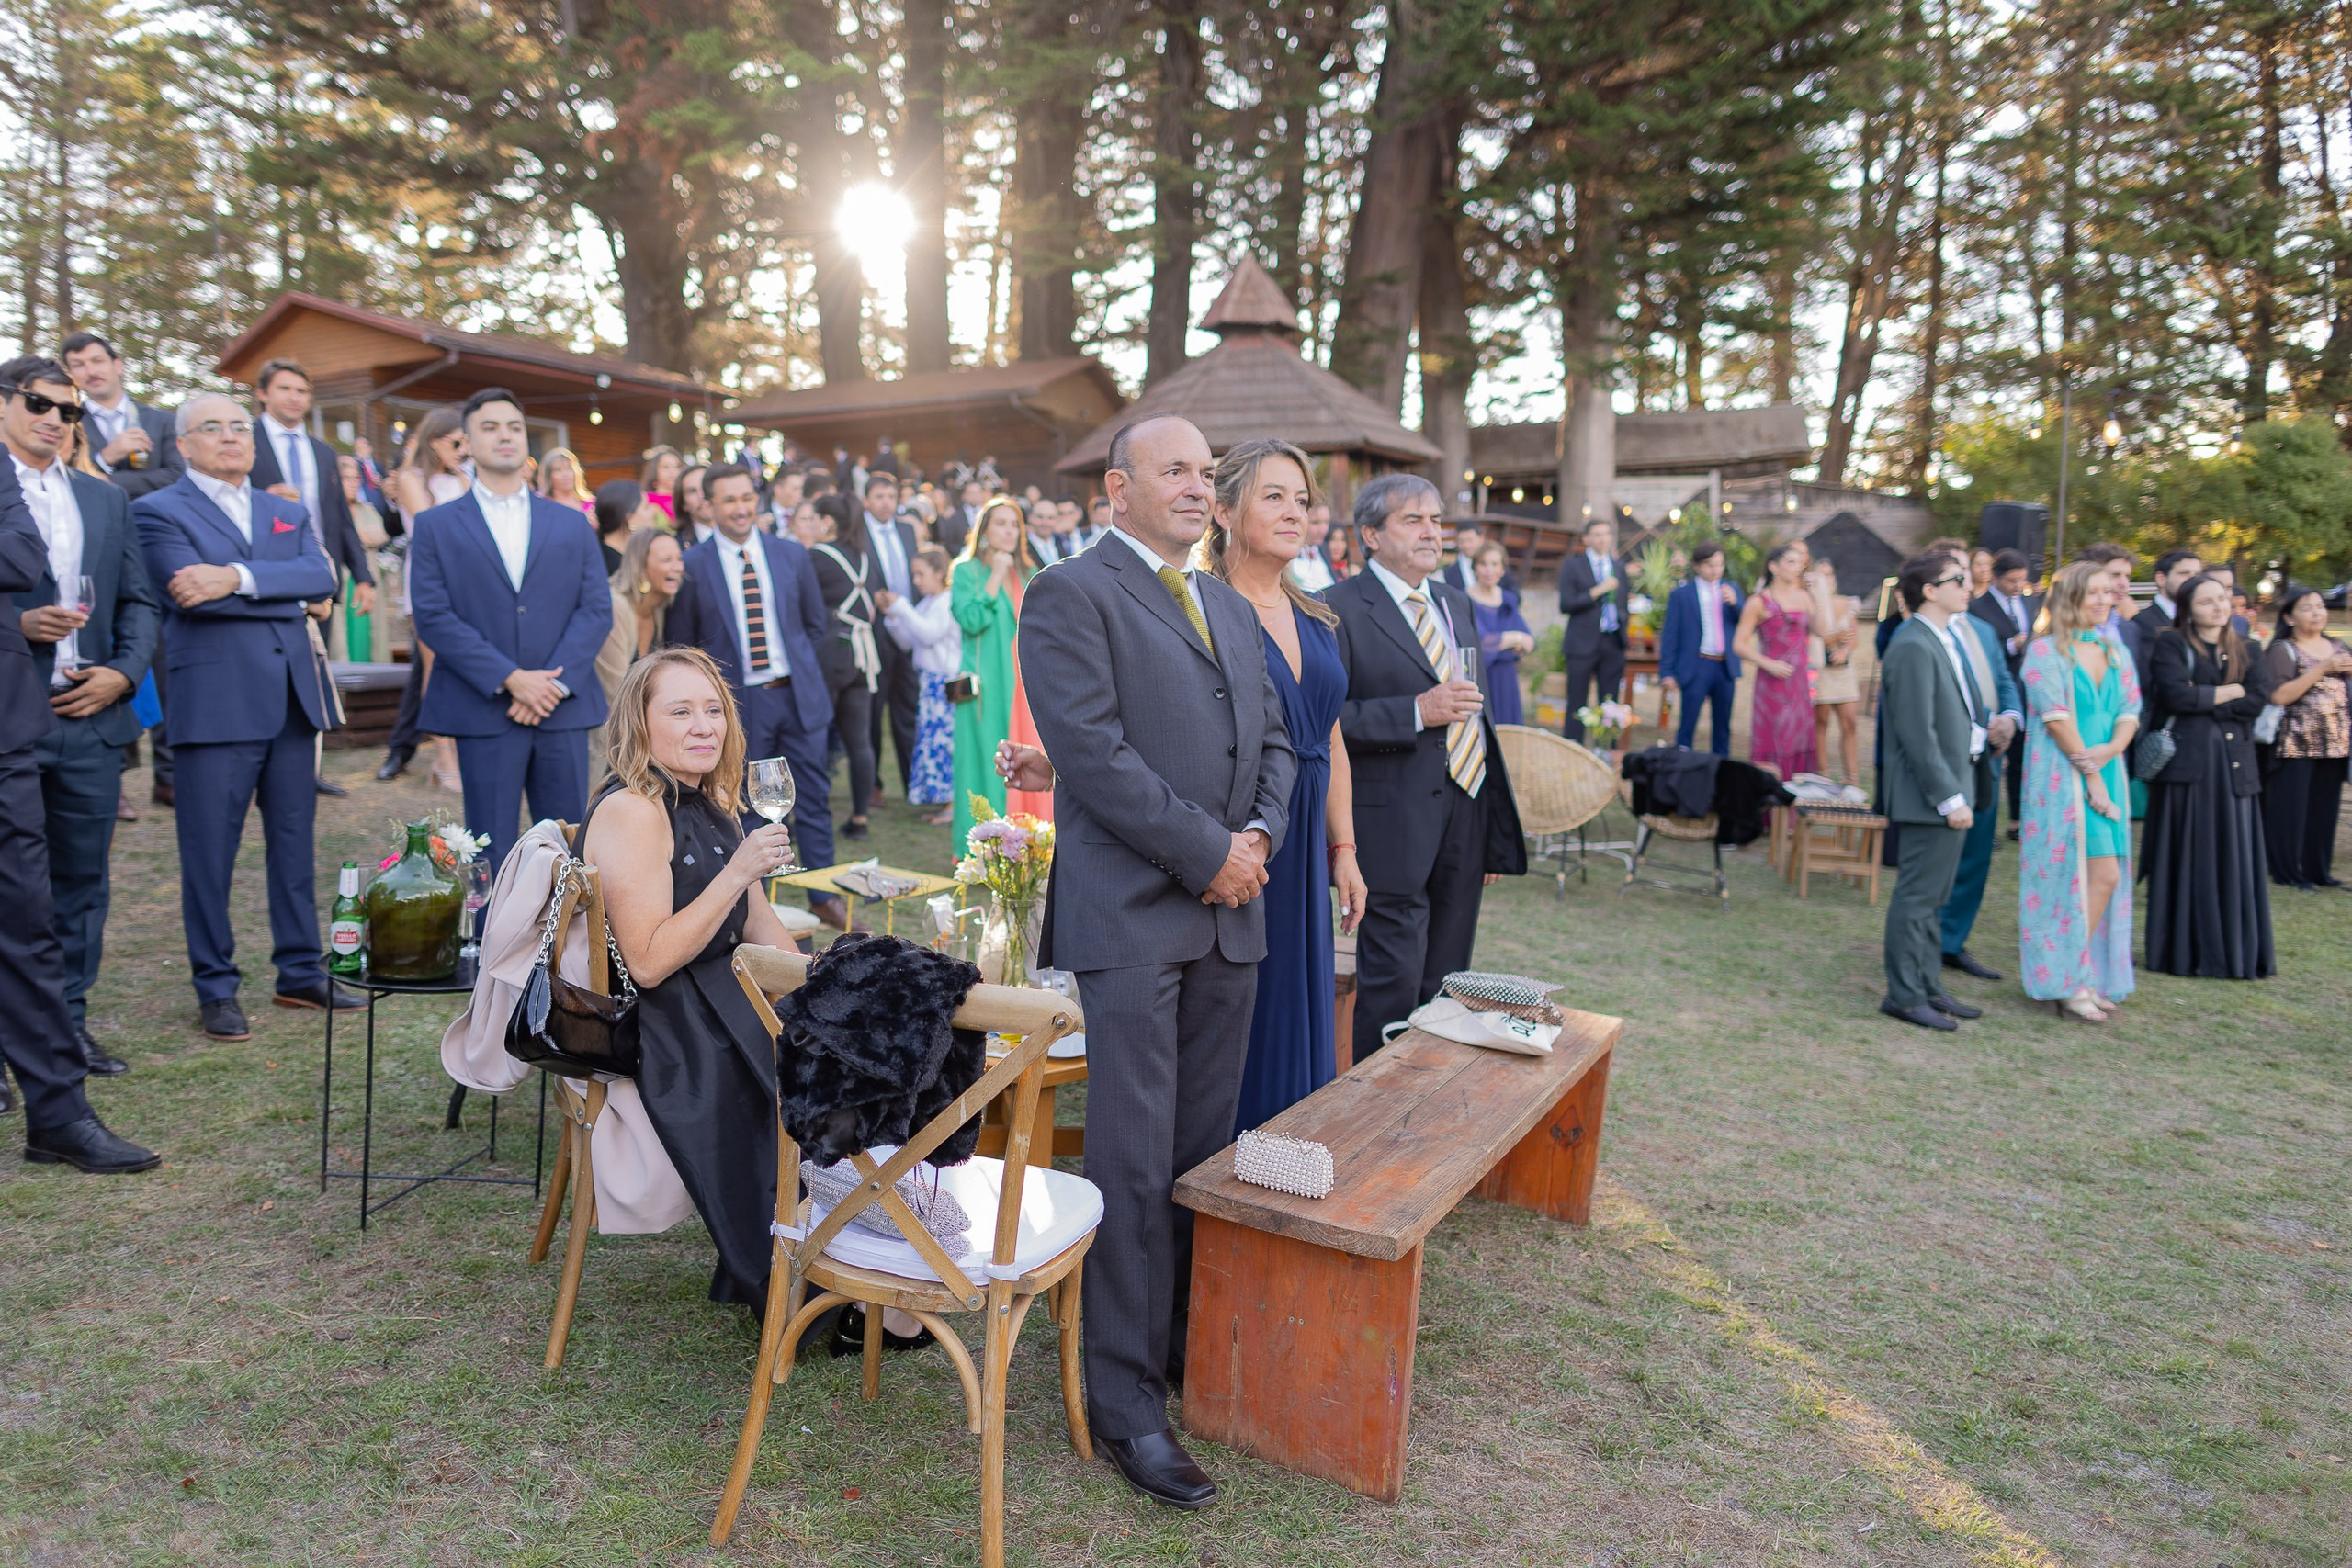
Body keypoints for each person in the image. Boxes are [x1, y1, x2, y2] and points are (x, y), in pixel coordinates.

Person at [1016, 413, 1296, 1509]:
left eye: (1204, 473)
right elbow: (1089, 752)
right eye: (1173, 470)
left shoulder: (1226, 601)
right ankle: (1124, 1404)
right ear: (1116, 491)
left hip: (1232, 913)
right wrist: (1206, 854)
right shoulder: (1072, 593)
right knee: (1128, 1167)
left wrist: (1259, 844)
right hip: (1134, 916)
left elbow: (1273, 739)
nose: (1196, 486)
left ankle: (1178, 1353)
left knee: (1197, 1155)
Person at [579, 648, 805, 1312]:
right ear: (640, 723)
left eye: (714, 709)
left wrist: (823, 988)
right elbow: (647, 960)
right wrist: (738, 870)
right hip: (677, 1036)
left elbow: (760, 923)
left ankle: (860, 1255)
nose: (704, 725)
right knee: (829, 1081)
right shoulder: (634, 811)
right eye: (680, 710)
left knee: (862, 1037)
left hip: (727, 1007)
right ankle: (811, 1278)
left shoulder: (712, 801)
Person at [133, 393, 358, 1040]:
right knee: (210, 854)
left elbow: (322, 576)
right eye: (214, 427)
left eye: (239, 427)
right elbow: (185, 593)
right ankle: (215, 984)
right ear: (184, 444)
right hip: (215, 705)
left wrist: (232, 577)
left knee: (294, 845)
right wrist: (280, 589)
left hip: (291, 701)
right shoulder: (155, 511)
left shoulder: (284, 509)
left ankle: (298, 971)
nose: (231, 437)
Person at [1196, 438, 1367, 1132]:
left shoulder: (1318, 614)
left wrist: (1345, 848)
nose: (1295, 512)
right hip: (1246, 832)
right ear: (1225, 510)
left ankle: (1293, 1143)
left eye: (1302, 499)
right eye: (1274, 496)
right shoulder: (1201, 607)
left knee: (1305, 992)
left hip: (1308, 836)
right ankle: (1233, 1156)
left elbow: (1329, 737)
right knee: (1248, 1002)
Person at [1329, 472, 1526, 1064]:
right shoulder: (1337, 608)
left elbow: (1474, 715)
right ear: (1370, 534)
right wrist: (1414, 712)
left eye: (1437, 521)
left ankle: (1428, 1093)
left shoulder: (1454, 602)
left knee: (1448, 977)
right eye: (1413, 520)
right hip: (1391, 819)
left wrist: (1486, 818)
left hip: (1464, 807)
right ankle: (1373, 1103)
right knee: (1392, 977)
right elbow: (1326, 719)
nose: (1431, 533)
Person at [0, 442, 158, 1168]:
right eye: (38, 402)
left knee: (54, 903)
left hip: (57, 721)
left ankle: (61, 1070)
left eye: (68, 409)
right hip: (17, 710)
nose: (56, 420)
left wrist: (121, 675)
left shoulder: (90, 494)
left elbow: (131, 598)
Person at [406, 389, 613, 873]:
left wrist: (552, 682)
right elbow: (433, 614)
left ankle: (563, 949)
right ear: (467, 443)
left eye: (514, 427)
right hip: (485, 706)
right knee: (489, 846)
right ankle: (494, 946)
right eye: (490, 427)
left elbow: (596, 609)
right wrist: (510, 678)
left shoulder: (570, 522)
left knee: (565, 847)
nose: (505, 436)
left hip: (560, 705)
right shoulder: (436, 525)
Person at [663, 465, 845, 929]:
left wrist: (801, 670)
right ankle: (754, 902)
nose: (742, 508)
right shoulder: (695, 567)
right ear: (708, 506)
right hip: (737, 705)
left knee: (812, 792)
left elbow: (813, 624)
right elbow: (684, 646)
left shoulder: (790, 554)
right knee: (743, 800)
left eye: (747, 497)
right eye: (729, 500)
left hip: (796, 693)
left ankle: (822, 889)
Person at [2016, 561, 2140, 1020]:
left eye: (2110, 593)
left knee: (2106, 877)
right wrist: (2090, 777)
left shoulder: (2113, 650)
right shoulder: (2045, 654)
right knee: (2072, 877)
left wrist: (2110, 751)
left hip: (2107, 772)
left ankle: (2081, 972)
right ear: (2070, 597)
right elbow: (2057, 720)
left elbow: (2130, 707)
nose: (2106, 600)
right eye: (2096, 593)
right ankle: (2067, 979)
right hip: (2062, 781)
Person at [1876, 552, 1993, 1032]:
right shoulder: (1911, 643)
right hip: (1931, 794)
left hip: (1957, 780)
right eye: (1957, 579)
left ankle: (1928, 985)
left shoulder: (1944, 636)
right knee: (1917, 897)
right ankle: (1903, 995)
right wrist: (1948, 795)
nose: (1969, 585)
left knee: (1935, 897)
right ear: (1929, 589)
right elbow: (1915, 731)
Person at [2144, 574, 2274, 979]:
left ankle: (2232, 950)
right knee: (2189, 852)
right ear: (2188, 609)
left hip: (2234, 770)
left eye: (2222, 599)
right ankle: (2184, 950)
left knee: (2234, 854)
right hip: (2189, 771)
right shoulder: (2171, 643)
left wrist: (2206, 699)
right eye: (2206, 602)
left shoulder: (2248, 647)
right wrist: (2228, 693)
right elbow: (2175, 696)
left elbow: (2256, 700)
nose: (2218, 608)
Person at [1924, 545, 2024, 985]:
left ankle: (1952, 940)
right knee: (1941, 861)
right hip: (1948, 759)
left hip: (1989, 756)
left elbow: (2004, 681)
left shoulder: (1983, 630)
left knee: (1978, 855)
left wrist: (2011, 720)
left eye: (1968, 575)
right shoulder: (1925, 634)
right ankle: (1927, 945)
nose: (1968, 583)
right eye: (1958, 575)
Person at [375, 407, 470, 782]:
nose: (463, 449)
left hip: (467, 579)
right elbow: (434, 527)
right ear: (435, 441)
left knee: (465, 668)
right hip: (432, 577)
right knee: (436, 666)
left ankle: (459, 749)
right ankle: (443, 754)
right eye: (456, 441)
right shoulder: (411, 478)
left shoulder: (464, 478)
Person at [949, 499, 1049, 846]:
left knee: (1031, 756)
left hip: (1026, 681)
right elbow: (971, 620)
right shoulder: (966, 570)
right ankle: (984, 845)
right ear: (985, 531)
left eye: (1014, 524)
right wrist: (994, 573)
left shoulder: (1028, 572)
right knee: (987, 759)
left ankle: (1031, 841)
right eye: (1001, 524)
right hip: (988, 683)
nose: (1009, 531)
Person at [247, 359, 376, 624]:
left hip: (318, 571)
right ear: (262, 393)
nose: (294, 397)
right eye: (284, 388)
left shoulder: (324, 453)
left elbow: (341, 518)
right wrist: (260, 499)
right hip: (264, 570)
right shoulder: (243, 441)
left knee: (319, 661)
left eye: (301, 391)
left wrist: (363, 577)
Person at [2259, 586, 2352, 889]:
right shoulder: (2282, 650)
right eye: (2307, 607)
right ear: (2289, 616)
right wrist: (2322, 669)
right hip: (2294, 744)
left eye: (2320, 606)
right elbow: (2279, 695)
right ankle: (2288, 873)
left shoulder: (2340, 647)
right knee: (2290, 811)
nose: (2317, 612)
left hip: (2336, 743)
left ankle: (2319, 872)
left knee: (2324, 812)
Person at [591, 525, 684, 780]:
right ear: (641, 567)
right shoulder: (616, 607)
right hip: (604, 738)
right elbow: (616, 691)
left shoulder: (658, 607)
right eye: (667, 560)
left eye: (679, 559)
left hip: (636, 736)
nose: (677, 567)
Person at [854, 472, 923, 808]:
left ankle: (915, 785)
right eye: (879, 496)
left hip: (909, 628)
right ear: (867, 499)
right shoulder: (858, 531)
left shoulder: (908, 529)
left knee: (908, 708)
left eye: (890, 496)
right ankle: (873, 785)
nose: (885, 503)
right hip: (874, 630)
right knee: (872, 710)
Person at [881, 546, 959, 824]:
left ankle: (953, 804)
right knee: (932, 742)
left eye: (921, 574)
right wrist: (893, 617)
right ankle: (944, 801)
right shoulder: (927, 603)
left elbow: (928, 634)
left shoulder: (947, 601)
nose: (916, 581)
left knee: (945, 744)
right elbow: (908, 642)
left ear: (939, 574)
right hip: (928, 682)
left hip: (945, 684)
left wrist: (902, 606)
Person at [1734, 541, 1818, 780]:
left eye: (1799, 563)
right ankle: (1769, 812)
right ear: (1774, 567)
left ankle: (1797, 808)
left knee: (1799, 739)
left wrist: (1818, 594)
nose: (1797, 568)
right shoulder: (1758, 602)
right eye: (1790, 562)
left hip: (1800, 682)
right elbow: (1739, 644)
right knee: (1775, 739)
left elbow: (1822, 631)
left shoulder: (1804, 597)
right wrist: (1767, 663)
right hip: (1772, 683)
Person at [1971, 547, 2041, 825]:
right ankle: (1986, 816)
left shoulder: (2031, 602)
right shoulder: (1978, 607)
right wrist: (2013, 645)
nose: (2017, 586)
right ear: (1996, 577)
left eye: (2022, 580)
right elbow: (1980, 652)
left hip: (2029, 686)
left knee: (2024, 756)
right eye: (2012, 580)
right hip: (1997, 688)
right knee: (1998, 756)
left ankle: (2017, 819)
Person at [1656, 541, 1742, 755]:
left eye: (1720, 564)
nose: (1715, 570)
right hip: (1697, 665)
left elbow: (1745, 622)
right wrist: (1667, 672)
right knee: (1688, 723)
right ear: (1697, 566)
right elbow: (1670, 635)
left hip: (1724, 666)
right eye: (1710, 565)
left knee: (1723, 726)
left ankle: (1721, 772)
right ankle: (1682, 769)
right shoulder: (1682, 595)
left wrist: (1735, 603)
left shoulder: (1731, 590)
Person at [1555, 516, 1627, 742]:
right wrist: (1597, 591)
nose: (1602, 539)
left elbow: (1623, 602)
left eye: (1606, 534)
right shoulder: (1573, 566)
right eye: (1597, 534)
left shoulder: (1618, 566)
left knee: (1610, 703)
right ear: (1586, 538)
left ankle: (1605, 750)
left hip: (1612, 641)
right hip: (1581, 643)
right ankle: (1573, 748)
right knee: (1577, 702)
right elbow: (1565, 604)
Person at [1464, 540, 1534, 727]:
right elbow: (1482, 642)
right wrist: (1515, 638)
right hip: (1480, 680)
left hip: (1507, 679)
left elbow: (1529, 641)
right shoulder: (1464, 600)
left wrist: (1509, 641)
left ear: (1502, 570)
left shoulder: (1508, 599)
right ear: (1475, 568)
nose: (1489, 570)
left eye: (1495, 564)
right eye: (1483, 564)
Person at [1806, 556, 1863, 784]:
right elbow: (1816, 637)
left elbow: (1853, 635)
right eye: (1821, 574)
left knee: (1850, 722)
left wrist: (1845, 650)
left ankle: (1852, 776)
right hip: (1822, 670)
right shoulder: (1812, 605)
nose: (1826, 579)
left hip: (1843, 670)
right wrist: (1832, 641)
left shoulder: (1847, 603)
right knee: (1821, 722)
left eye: (1829, 574)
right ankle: (1823, 774)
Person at [2140, 548, 2203, 636]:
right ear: (2161, 579)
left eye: (2197, 575)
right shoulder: (2141, 623)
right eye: (2184, 573)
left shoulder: (2202, 618)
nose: (2193, 580)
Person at [593, 479, 641, 574]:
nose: (652, 512)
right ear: (630, 518)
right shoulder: (605, 565)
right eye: (646, 508)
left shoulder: (635, 553)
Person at [537, 446, 594, 520]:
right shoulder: (542, 505)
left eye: (569, 468)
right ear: (548, 476)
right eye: (558, 470)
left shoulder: (590, 504)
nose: (565, 474)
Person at [675, 462, 714, 546]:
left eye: (705, 486)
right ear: (683, 504)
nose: (702, 496)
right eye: (692, 491)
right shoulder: (677, 547)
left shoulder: (744, 532)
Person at [640, 445, 682, 519]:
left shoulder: (685, 500)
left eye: (676, 467)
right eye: (666, 467)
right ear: (654, 471)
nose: (673, 472)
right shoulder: (645, 500)